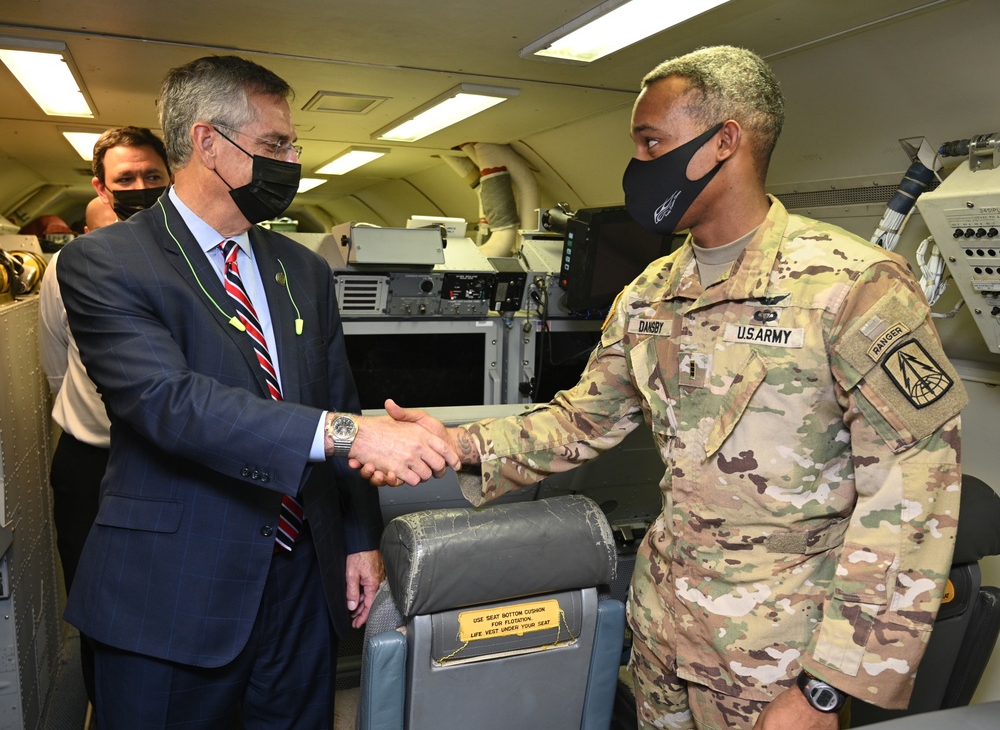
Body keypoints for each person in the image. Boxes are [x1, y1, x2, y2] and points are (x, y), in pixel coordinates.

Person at [360, 46, 967, 729]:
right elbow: (580, 421)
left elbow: (913, 493)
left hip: (776, 664)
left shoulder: (851, 286)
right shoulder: (649, 294)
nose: (637, 168)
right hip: (661, 637)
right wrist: (457, 442)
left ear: (724, 142)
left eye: (652, 143)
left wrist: (825, 687)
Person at [56, 55, 457, 728]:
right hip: (173, 587)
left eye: (293, 144)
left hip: (302, 581)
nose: (292, 159)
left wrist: (360, 537)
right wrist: (349, 434)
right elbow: (168, 402)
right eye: (276, 145)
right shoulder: (106, 263)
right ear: (207, 142)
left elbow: (339, 396)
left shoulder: (301, 268)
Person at [38, 126, 171, 706]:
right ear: (101, 186)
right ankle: (108, 708)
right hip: (90, 466)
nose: (140, 187)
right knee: (98, 607)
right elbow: (53, 364)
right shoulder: (67, 269)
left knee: (170, 600)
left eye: (152, 177)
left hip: (170, 462)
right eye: (126, 180)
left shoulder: (196, 265)